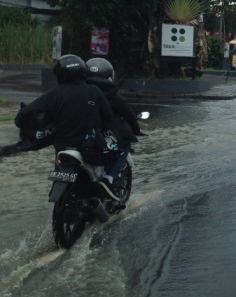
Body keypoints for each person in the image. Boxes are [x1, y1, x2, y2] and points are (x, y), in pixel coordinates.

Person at [15, 54, 117, 200]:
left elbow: (26, 113)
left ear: (60, 74)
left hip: (63, 148)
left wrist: (21, 122)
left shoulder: (55, 93)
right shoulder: (94, 91)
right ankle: (102, 191)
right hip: (90, 149)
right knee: (107, 164)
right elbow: (108, 116)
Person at [86, 57, 142, 194]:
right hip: (103, 138)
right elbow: (128, 113)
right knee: (125, 146)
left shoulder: (79, 91)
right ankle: (109, 178)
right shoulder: (112, 94)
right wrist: (136, 130)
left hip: (79, 137)